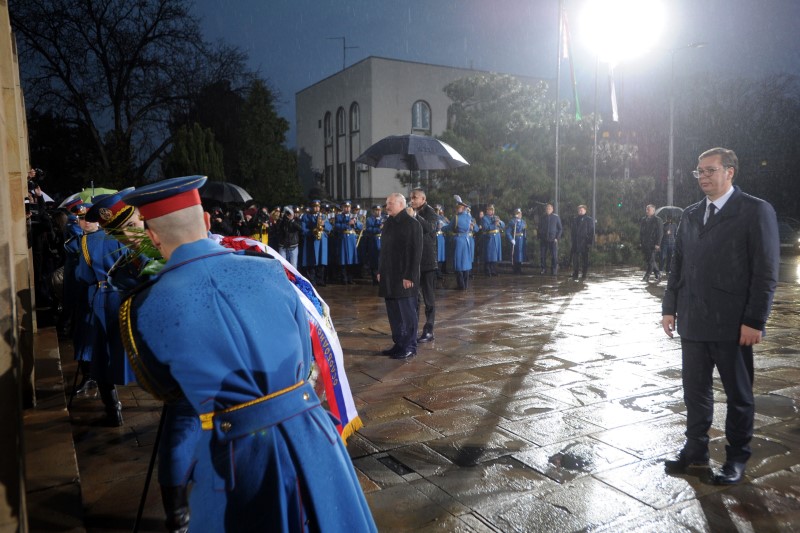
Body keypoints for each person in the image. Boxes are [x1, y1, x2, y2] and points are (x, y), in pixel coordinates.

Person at [120, 176, 377, 531]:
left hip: (237, 456)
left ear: (152, 236)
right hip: (313, 437)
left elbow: (166, 388)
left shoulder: (143, 305)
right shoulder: (270, 270)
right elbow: (303, 354)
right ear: (207, 221)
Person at [661, 147, 780, 485]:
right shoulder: (690, 214)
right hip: (694, 321)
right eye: (699, 171)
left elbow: (766, 271)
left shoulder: (755, 211)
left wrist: (755, 320)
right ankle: (695, 452)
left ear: (730, 172)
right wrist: (669, 307)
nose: (703, 176)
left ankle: (737, 457)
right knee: (694, 392)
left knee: (739, 395)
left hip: (733, 324)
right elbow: (678, 266)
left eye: (710, 170)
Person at [377, 193, 422, 360]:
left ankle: (410, 345)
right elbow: (385, 251)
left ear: (401, 204)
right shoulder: (389, 223)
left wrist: (409, 276)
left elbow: (415, 253)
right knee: (394, 313)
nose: (387, 206)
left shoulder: (412, 224)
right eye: (387, 203)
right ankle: (399, 343)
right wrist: (381, 271)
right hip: (389, 276)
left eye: (390, 203)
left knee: (407, 313)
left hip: (404, 278)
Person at [409, 188, 438, 344]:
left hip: (427, 261)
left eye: (415, 197)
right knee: (414, 297)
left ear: (423, 199)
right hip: (415, 261)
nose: (412, 200)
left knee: (429, 298)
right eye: (411, 197)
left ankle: (429, 330)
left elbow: (430, 228)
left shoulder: (431, 212)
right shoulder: (410, 212)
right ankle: (412, 329)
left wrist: (415, 216)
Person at [442, 195, 472, 289]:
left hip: (459, 241)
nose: (456, 209)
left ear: (462, 208)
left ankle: (461, 285)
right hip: (466, 240)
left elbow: (449, 228)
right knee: (466, 264)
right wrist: (462, 204)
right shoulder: (468, 216)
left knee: (458, 264)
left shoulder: (456, 218)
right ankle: (465, 285)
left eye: (458, 207)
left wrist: (442, 227)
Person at [301, 199, 332, 286]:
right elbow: (303, 229)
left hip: (322, 241)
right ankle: (312, 280)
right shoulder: (306, 216)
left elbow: (330, 227)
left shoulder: (323, 217)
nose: (316, 208)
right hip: (311, 241)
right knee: (311, 261)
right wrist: (312, 231)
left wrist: (324, 224)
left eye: (318, 206)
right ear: (311, 207)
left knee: (321, 261)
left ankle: (320, 280)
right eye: (314, 206)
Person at [334, 200, 362, 284]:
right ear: (342, 208)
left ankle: (350, 278)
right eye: (345, 207)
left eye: (348, 207)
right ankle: (344, 279)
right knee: (343, 259)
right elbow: (337, 226)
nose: (347, 208)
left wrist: (356, 223)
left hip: (352, 239)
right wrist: (347, 224)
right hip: (343, 238)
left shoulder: (354, 216)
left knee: (351, 259)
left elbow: (360, 227)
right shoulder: (339, 216)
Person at [639, 204, 663, 282]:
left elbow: (660, 233)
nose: (647, 211)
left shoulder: (657, 220)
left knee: (651, 260)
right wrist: (641, 242)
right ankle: (657, 274)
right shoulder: (643, 219)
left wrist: (658, 244)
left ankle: (647, 276)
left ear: (653, 211)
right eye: (646, 209)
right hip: (645, 243)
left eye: (648, 210)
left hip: (653, 243)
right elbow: (641, 232)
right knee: (650, 260)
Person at [570, 204, 594, 280]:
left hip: (584, 242)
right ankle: (575, 272)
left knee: (585, 259)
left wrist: (589, 242)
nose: (580, 211)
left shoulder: (589, 219)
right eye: (579, 210)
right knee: (575, 259)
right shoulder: (575, 219)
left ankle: (584, 273)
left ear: (585, 210)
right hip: (576, 242)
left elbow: (591, 232)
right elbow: (573, 231)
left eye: (582, 210)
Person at [538, 202, 562, 275]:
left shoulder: (556, 217)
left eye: (549, 208)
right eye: (547, 208)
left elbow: (560, 228)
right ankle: (543, 269)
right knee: (542, 255)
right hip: (544, 239)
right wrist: (539, 236)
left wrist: (557, 238)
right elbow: (539, 227)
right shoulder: (542, 217)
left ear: (552, 209)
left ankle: (554, 269)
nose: (548, 210)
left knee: (554, 256)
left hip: (553, 239)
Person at [480, 204, 504, 276]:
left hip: (496, 237)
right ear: (487, 211)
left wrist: (499, 222)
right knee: (488, 255)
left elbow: (503, 225)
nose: (492, 211)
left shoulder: (495, 217)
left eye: (492, 210)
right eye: (490, 210)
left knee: (494, 255)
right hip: (489, 237)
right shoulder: (484, 218)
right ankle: (487, 271)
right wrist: (494, 225)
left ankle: (493, 270)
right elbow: (486, 227)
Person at [506, 208, 527, 274]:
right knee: (516, 254)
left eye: (520, 213)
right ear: (515, 214)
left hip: (522, 239)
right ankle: (515, 269)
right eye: (518, 213)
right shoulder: (512, 222)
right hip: (516, 238)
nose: (520, 214)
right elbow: (508, 232)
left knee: (521, 254)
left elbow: (525, 230)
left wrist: (525, 237)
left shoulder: (523, 222)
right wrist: (511, 239)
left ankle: (519, 268)